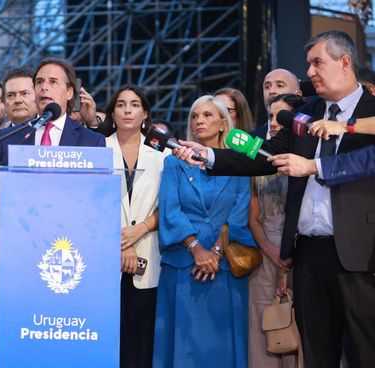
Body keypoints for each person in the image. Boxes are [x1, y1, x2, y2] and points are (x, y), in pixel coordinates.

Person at [173, 31, 375, 367]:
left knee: (365, 352)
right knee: (317, 354)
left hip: (361, 255)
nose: (308, 73)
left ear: (345, 62)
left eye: (317, 63)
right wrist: (209, 156)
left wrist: (314, 166)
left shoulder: (371, 112)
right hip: (309, 254)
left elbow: (366, 163)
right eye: (308, 64)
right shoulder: (307, 111)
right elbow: (265, 155)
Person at [154, 95, 255, 368]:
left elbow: (240, 212)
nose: (199, 120)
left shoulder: (239, 162)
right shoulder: (174, 163)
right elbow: (170, 211)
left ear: (224, 123)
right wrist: (196, 249)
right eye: (195, 116)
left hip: (225, 269)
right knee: (182, 349)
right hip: (183, 266)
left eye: (208, 115)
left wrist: (216, 252)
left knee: (224, 351)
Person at [97, 85, 166, 368]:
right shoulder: (97, 149)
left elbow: (170, 206)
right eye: (121, 104)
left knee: (142, 341)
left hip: (148, 255)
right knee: (109, 339)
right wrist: (120, 242)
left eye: (135, 104)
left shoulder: (162, 156)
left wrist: (142, 229)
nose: (127, 110)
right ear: (112, 112)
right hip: (104, 258)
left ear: (145, 114)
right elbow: (90, 205)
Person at [247, 93, 304, 368]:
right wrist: (273, 254)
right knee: (263, 330)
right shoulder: (260, 160)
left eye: (281, 117)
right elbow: (253, 216)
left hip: (301, 252)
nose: (274, 122)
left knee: (298, 331)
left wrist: (286, 263)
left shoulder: (307, 160)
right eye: (270, 116)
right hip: (265, 255)